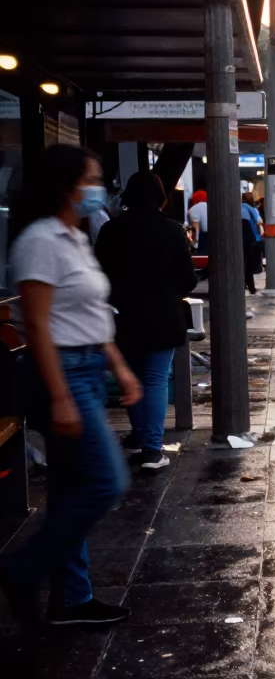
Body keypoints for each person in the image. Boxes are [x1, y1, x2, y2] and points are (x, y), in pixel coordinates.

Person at [0, 144, 140, 628]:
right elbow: (37, 327)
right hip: (58, 373)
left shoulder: (74, 236)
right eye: (91, 179)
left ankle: (71, 600)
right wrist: (60, 397)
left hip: (84, 367)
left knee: (69, 489)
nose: (98, 187)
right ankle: (21, 569)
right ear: (65, 186)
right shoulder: (39, 241)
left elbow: (90, 315)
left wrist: (118, 366)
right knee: (105, 482)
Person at [95, 171, 197, 471]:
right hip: (163, 316)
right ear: (160, 197)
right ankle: (152, 450)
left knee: (134, 378)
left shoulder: (111, 231)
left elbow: (100, 276)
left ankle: (141, 438)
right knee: (154, 380)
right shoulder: (172, 231)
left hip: (124, 318)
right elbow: (188, 281)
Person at [242, 192, 264, 294]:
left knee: (243, 263)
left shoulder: (238, 207)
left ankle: (243, 285)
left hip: (240, 238)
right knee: (250, 265)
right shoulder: (252, 209)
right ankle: (252, 288)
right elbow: (259, 221)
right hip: (251, 238)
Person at [187, 189, 209, 255]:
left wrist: (195, 247)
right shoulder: (212, 206)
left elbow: (195, 228)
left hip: (202, 242)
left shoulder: (193, 209)